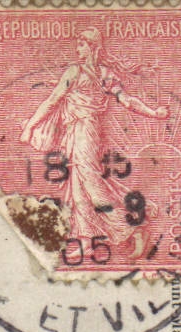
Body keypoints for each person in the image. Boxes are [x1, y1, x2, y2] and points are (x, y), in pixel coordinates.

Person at [19, 28, 170, 254]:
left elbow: (127, 100)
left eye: (81, 45)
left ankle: (130, 220)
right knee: (78, 186)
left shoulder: (98, 74)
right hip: (76, 133)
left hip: (87, 133)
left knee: (91, 183)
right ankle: (87, 242)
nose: (78, 49)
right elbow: (52, 101)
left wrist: (153, 112)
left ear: (92, 47)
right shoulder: (80, 72)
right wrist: (31, 125)